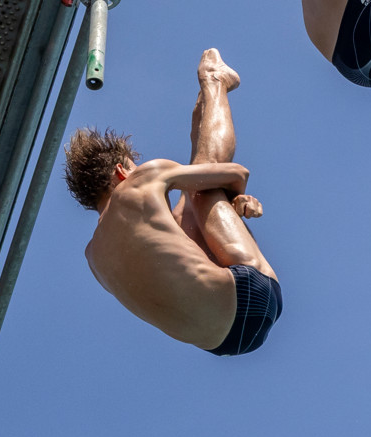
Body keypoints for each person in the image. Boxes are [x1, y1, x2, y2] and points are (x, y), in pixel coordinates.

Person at [65, 49, 283, 357]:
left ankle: (204, 104)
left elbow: (179, 259)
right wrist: (235, 197)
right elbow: (236, 173)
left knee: (187, 205)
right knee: (202, 188)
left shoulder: (94, 260)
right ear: (121, 171)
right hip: (250, 294)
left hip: (224, 342)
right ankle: (214, 81)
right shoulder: (143, 180)